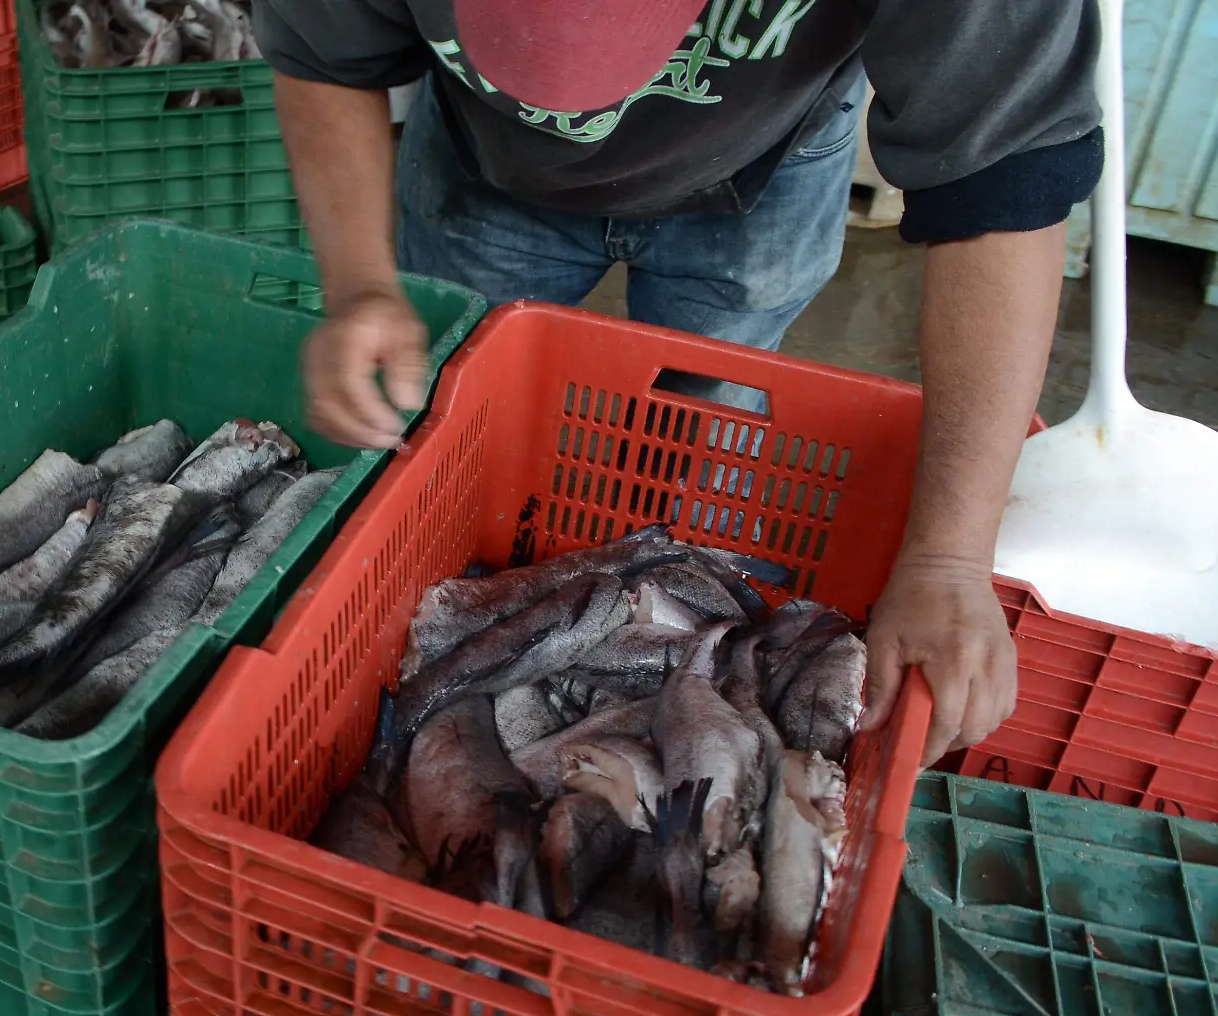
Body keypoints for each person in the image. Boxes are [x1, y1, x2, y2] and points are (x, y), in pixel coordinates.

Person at [256, 0, 1103, 766]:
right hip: (482, 164)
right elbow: (323, 58)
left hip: (764, 166)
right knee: (449, 414)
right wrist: (362, 285)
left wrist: (951, 558)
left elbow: (1003, 174)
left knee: (703, 445)